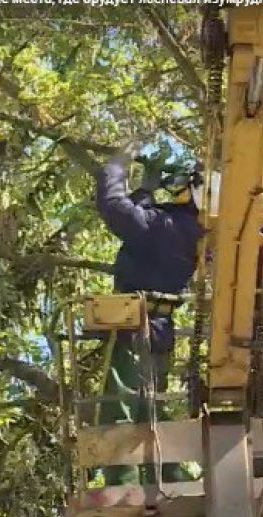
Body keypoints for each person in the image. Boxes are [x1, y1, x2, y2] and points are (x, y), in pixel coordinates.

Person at [93, 152, 205, 486]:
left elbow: (113, 207)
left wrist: (114, 167)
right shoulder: (186, 229)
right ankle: (171, 475)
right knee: (149, 408)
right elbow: (144, 224)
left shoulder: (163, 226)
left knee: (121, 408)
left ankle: (122, 483)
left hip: (134, 328)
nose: (178, 186)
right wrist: (145, 191)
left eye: (186, 183)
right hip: (158, 331)